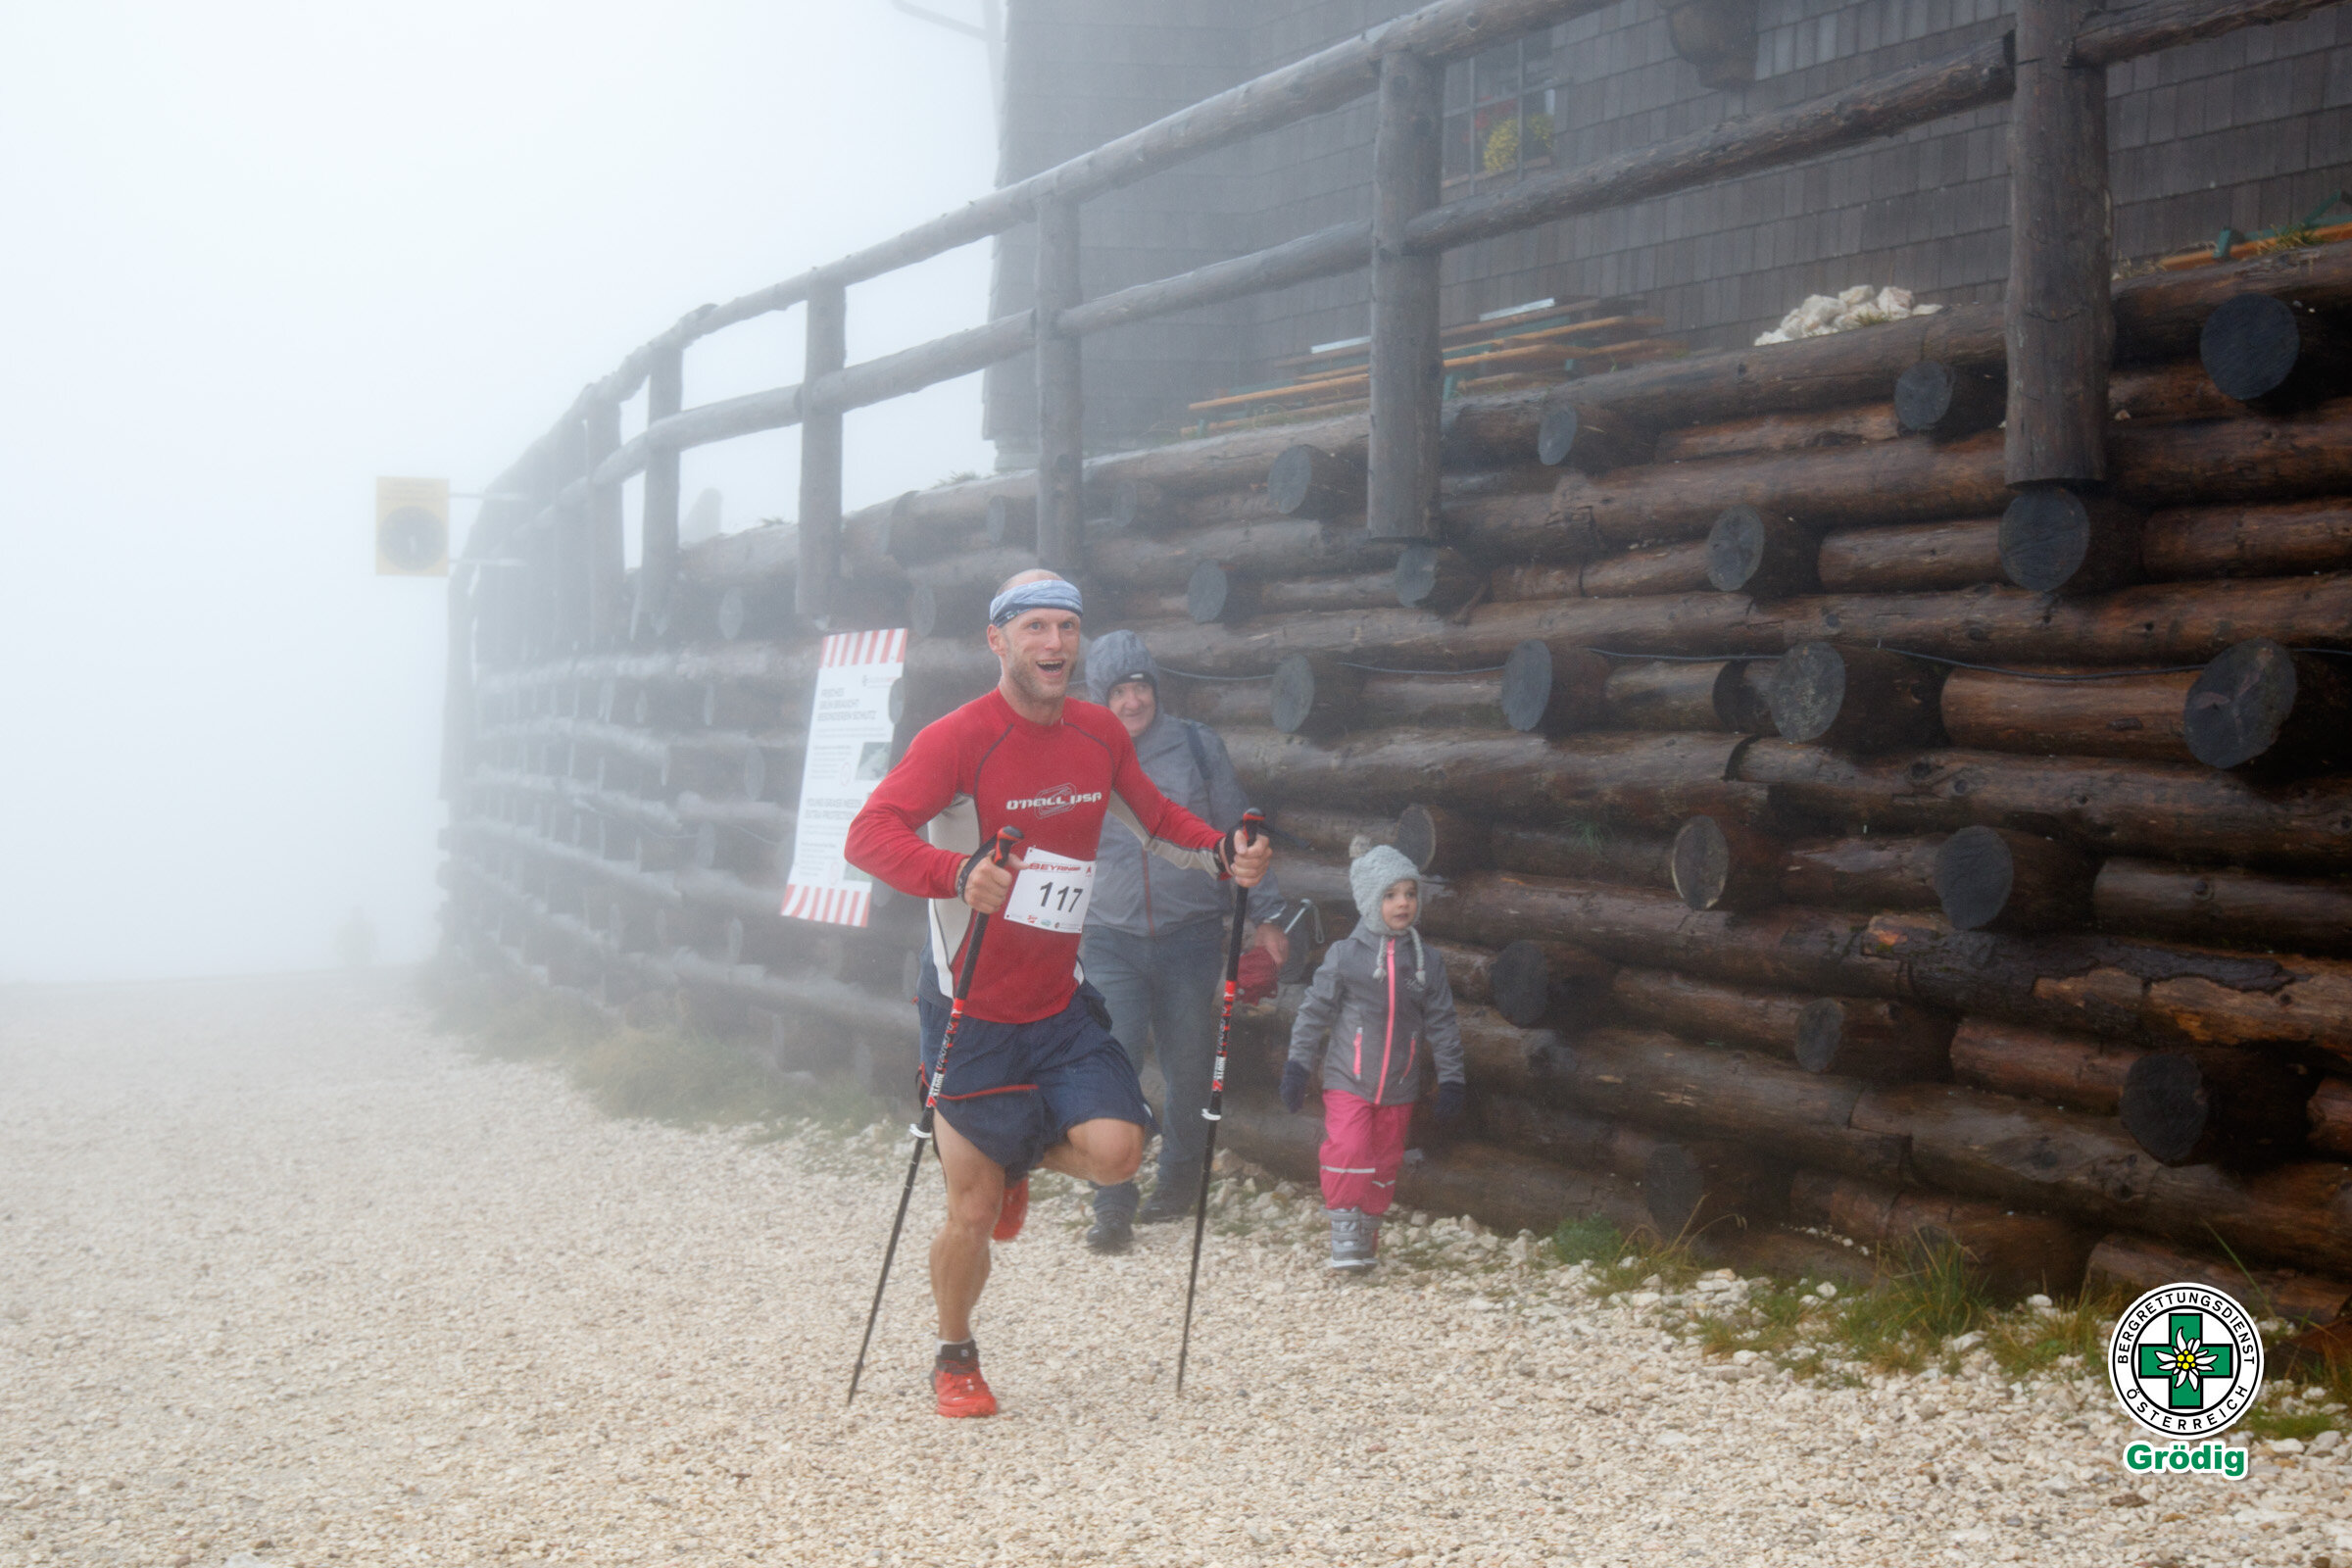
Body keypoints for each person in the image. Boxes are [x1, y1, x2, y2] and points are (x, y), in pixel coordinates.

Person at [844, 569, 1273, 1418]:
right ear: (997, 641)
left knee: (1119, 1151)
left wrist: (1223, 851)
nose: (1054, 645)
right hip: (969, 1006)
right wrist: (956, 872)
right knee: (967, 1211)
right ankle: (955, 1354)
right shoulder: (958, 739)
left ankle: (1013, 1160)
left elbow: (1155, 821)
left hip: (1057, 1002)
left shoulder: (1097, 731)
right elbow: (868, 835)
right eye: (1034, 628)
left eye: (1066, 629)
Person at [1079, 629, 1289, 1254]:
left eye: (1140, 685)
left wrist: (1268, 916)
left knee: (1191, 1067)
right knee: (1110, 1068)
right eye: (1118, 691)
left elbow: (1238, 834)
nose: (1132, 701)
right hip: (1108, 938)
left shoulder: (1197, 747)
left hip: (1191, 936)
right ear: (1101, 698)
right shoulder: (1082, 754)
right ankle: (1112, 1202)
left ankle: (1178, 1185)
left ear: (1155, 688)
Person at [1280, 844, 1464, 1273]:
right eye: (1390, 895)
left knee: (1384, 1158)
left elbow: (1443, 1024)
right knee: (1349, 1147)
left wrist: (1453, 1079)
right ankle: (1343, 1227)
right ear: (1369, 901)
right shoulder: (1346, 956)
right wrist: (1297, 1066)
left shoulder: (1427, 962)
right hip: (1349, 1077)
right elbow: (1313, 1013)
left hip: (1401, 1085)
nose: (1403, 903)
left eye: (1409, 893)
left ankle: (1367, 1226)